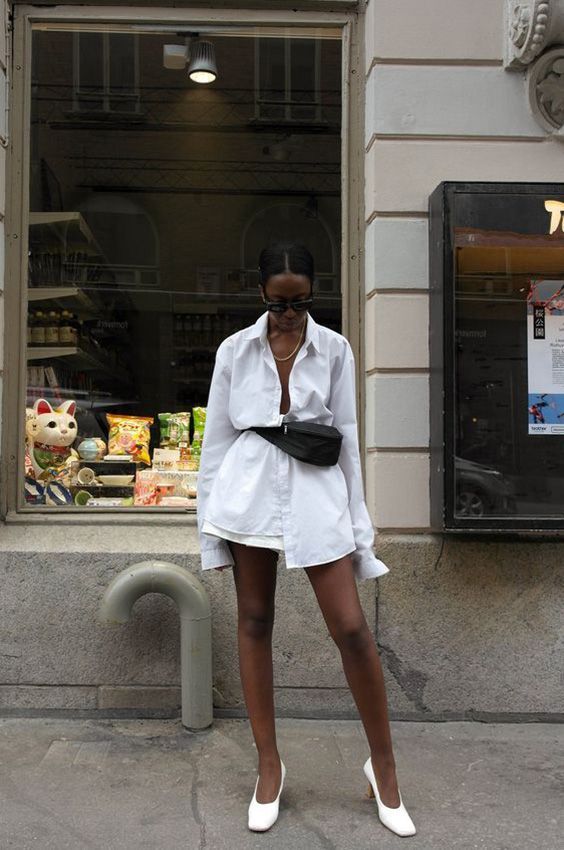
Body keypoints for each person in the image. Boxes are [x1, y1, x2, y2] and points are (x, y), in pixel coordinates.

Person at [196, 242, 416, 837]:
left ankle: (384, 767)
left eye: (300, 303)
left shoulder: (335, 349)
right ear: (261, 293)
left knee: (351, 627)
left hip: (318, 493)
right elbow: (215, 444)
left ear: (312, 294)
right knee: (254, 621)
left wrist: (360, 533)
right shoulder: (234, 351)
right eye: (279, 302)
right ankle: (269, 767)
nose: (290, 314)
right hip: (247, 493)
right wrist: (208, 536)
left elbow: (346, 440)